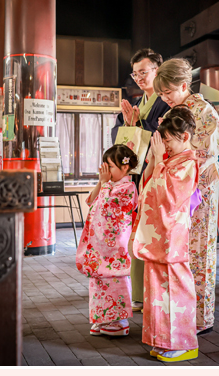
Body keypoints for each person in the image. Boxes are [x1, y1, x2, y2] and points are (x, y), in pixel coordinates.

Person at [153, 58, 219, 335]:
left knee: (199, 253)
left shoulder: (204, 112)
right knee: (178, 252)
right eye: (161, 94)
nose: (165, 98)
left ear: (184, 85)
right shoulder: (177, 112)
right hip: (175, 191)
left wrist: (174, 147)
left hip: (198, 192)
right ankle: (179, 311)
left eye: (168, 92)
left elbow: (204, 154)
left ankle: (201, 318)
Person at [131, 107, 199, 362]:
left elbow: (168, 197)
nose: (165, 146)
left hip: (172, 237)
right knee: (157, 291)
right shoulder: (170, 161)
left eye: (167, 140)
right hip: (159, 236)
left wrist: (159, 161)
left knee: (175, 288)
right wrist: (155, 161)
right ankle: (161, 339)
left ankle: (183, 342)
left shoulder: (189, 162)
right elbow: (147, 187)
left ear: (184, 137)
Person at [111, 48, 169, 313]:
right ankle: (138, 293)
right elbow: (118, 133)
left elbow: (166, 137)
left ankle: (150, 293)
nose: (139, 78)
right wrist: (128, 124)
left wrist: (136, 126)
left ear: (158, 69)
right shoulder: (139, 101)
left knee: (152, 235)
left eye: (143, 72)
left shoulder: (165, 101)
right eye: (135, 74)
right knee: (136, 235)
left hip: (157, 176)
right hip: (137, 177)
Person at [75, 144, 139, 337]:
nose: (107, 171)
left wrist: (105, 184)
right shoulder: (110, 184)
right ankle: (101, 317)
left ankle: (119, 321)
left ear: (125, 167)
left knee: (114, 279)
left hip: (114, 245)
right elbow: (92, 201)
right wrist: (102, 182)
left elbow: (105, 210)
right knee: (99, 281)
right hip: (101, 243)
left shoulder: (128, 187)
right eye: (105, 167)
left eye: (110, 167)